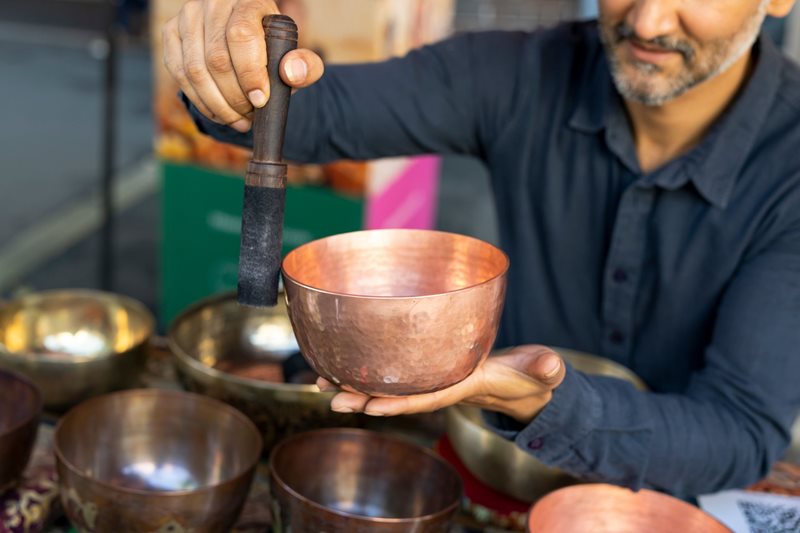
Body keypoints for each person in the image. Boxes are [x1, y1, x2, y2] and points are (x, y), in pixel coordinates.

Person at [163, 0, 800, 497]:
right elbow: (316, 112)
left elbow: (738, 430)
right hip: (488, 468)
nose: (648, 20)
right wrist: (227, 65)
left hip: (676, 501)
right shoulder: (523, 71)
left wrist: (543, 402)